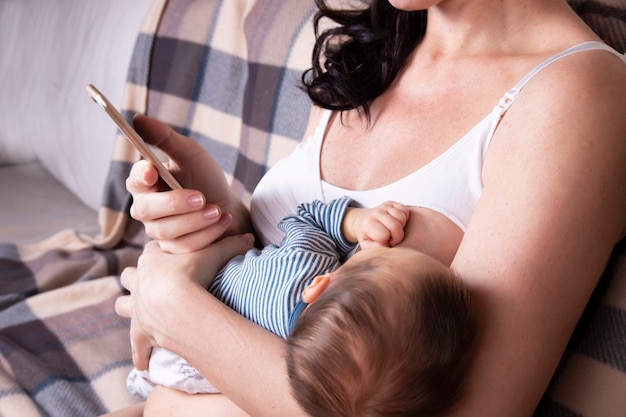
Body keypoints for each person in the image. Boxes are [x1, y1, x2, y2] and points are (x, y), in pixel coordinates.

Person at [113, 0, 626, 416]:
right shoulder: (367, 51)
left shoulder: (578, 95)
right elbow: (301, 288)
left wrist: (175, 309)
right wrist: (217, 217)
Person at [126, 197, 476, 417]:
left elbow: (305, 218)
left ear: (319, 284)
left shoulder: (305, 262)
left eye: (383, 255)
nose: (379, 245)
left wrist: (357, 222)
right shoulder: (307, 362)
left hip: (166, 341)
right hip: (193, 375)